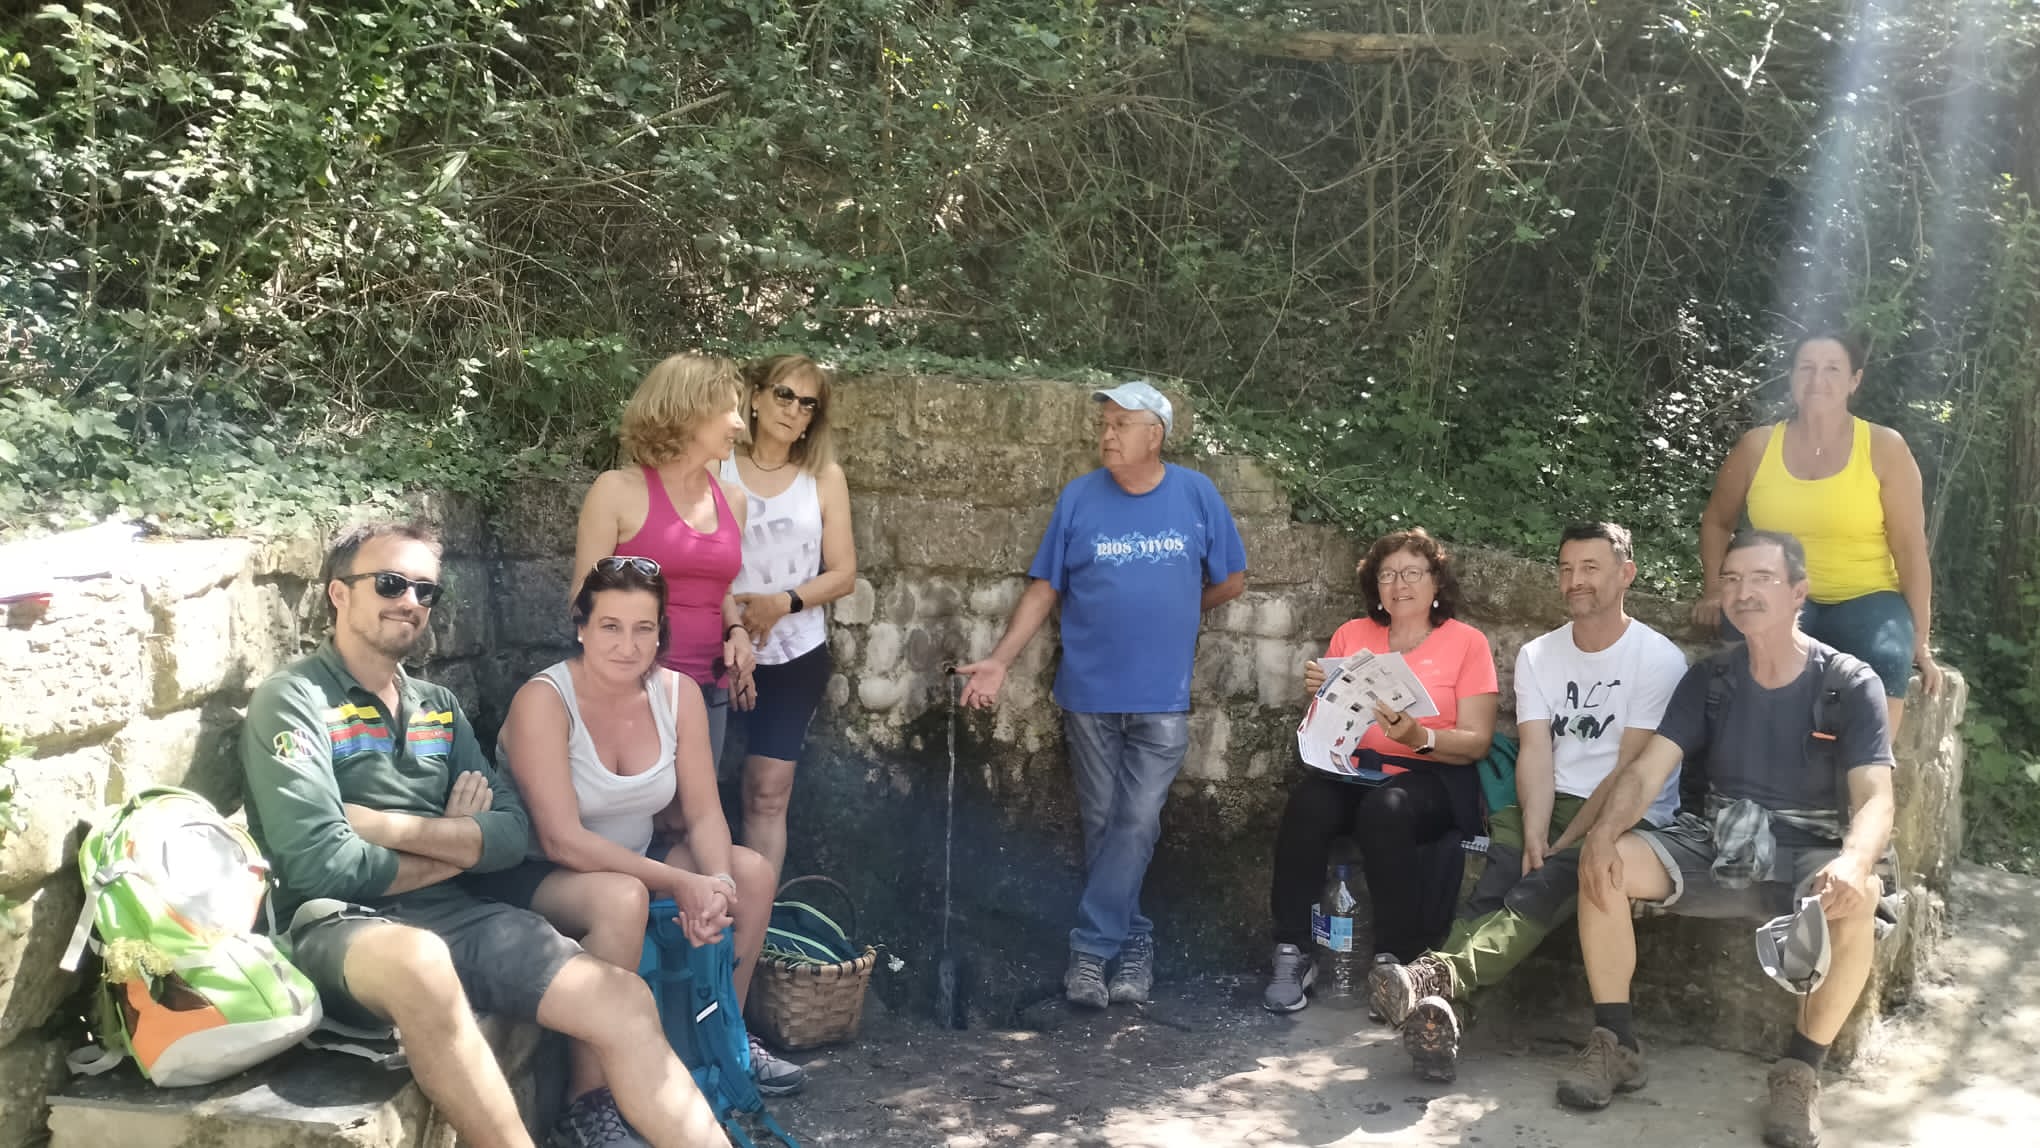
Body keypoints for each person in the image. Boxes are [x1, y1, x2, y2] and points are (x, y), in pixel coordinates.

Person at [240, 524, 729, 1148]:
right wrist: (458, 845)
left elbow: (508, 836)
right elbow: (321, 864)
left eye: (425, 590)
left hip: (457, 915)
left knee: (624, 999)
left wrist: (409, 834)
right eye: (390, 583)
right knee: (420, 960)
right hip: (335, 923)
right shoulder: (295, 700)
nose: (410, 601)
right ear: (339, 593)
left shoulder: (438, 707)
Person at [1558, 529, 1895, 1148]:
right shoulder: (1711, 679)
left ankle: (1799, 1073)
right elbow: (1647, 771)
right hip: (1720, 842)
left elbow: (1876, 797)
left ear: (1799, 592)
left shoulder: (1848, 683)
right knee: (1606, 861)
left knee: (1862, 893)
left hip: (1814, 850)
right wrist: (1604, 832)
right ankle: (1616, 1043)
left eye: (1762, 578)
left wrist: (1853, 861)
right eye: (1732, 580)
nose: (1743, 593)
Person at [955, 380, 1247, 1009]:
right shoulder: (1080, 497)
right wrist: (1000, 662)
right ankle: (1134, 941)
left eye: (1120, 424)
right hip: (1088, 693)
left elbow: (1231, 580)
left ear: (1155, 435)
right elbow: (1045, 587)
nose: (1106, 435)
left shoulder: (1196, 494)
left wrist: (1178, 612)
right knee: (1103, 825)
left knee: (1136, 822)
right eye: (1103, 425)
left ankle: (1090, 950)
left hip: (1161, 696)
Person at [1365, 522, 1688, 1082]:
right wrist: (1535, 831)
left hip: (1623, 813)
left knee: (1544, 885)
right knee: (1497, 883)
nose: (1575, 580)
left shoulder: (1658, 658)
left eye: (1590, 568)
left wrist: (1564, 843)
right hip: (1545, 801)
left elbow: (1629, 770)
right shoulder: (1540, 654)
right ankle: (1446, 1014)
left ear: (1626, 575)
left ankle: (1433, 979)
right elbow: (1536, 750)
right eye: (1566, 569)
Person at [484, 556, 804, 1098]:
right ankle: (591, 1100)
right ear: (582, 628)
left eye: (643, 629)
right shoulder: (544, 700)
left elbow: (703, 813)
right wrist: (681, 882)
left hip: (635, 859)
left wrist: (718, 886)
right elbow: (562, 839)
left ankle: (725, 1035)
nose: (627, 646)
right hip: (541, 872)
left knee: (749, 873)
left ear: (661, 634)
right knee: (625, 896)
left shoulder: (677, 694)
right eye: (610, 626)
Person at [1263, 528, 1499, 1012]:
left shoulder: (1467, 643)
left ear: (1436, 581)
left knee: (1385, 810)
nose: (1399, 584)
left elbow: (1477, 742)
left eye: (1412, 573)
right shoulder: (1353, 634)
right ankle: (1293, 950)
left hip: (1433, 774)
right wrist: (1320, 694)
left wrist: (1418, 736)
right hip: (1354, 772)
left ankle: (1397, 962)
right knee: (1309, 803)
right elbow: (1327, 723)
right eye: (1387, 575)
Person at [1694, 330, 1943, 730]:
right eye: (1806, 368)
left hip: (1867, 596)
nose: (1817, 380)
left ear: (1854, 380)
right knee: (1749, 645)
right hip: (1776, 590)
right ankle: (1751, 760)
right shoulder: (1757, 447)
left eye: (1832, 369)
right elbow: (1717, 521)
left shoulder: (1884, 448)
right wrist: (1713, 588)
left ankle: (1866, 767)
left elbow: (1910, 548)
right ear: (1791, 376)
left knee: (1886, 657)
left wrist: (1921, 639)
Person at [574, 353, 756, 770]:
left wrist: (738, 632)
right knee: (637, 808)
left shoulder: (733, 500)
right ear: (689, 410)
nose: (740, 424)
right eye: (729, 410)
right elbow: (581, 604)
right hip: (632, 690)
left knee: (695, 806)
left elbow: (721, 591)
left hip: (710, 690)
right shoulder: (616, 490)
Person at [721, 355, 856, 880]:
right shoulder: (718, 466)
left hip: (794, 653)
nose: (793, 409)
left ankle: (759, 914)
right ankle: (694, 909)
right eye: (783, 394)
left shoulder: (823, 477)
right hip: (717, 649)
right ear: (755, 397)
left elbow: (843, 573)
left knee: (768, 794)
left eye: (807, 404)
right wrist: (734, 625)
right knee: (686, 792)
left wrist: (781, 603)